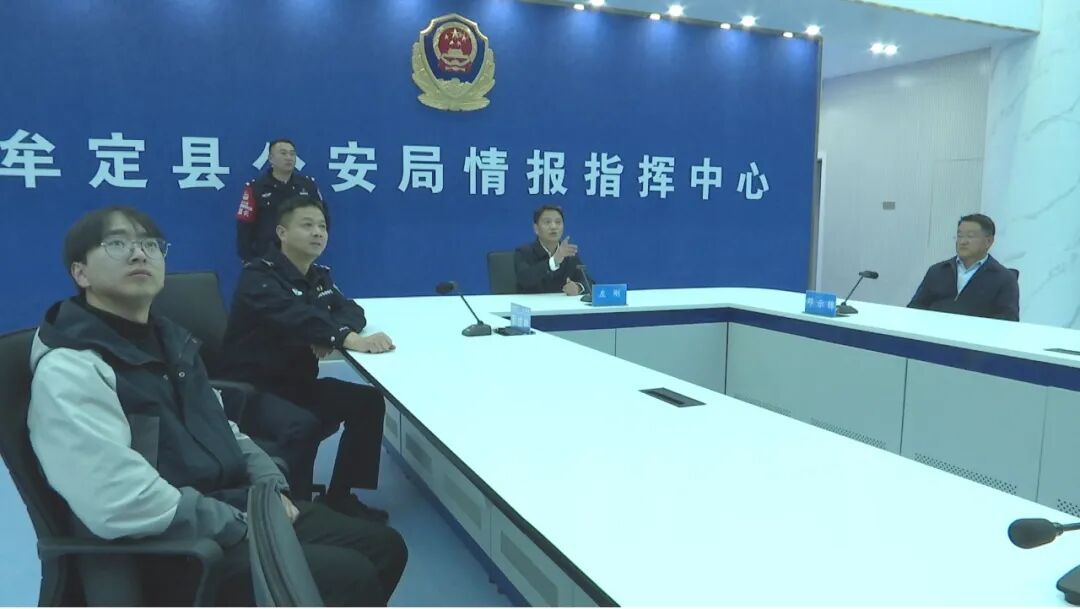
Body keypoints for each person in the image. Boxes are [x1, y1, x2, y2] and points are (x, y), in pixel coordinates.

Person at [28, 205, 407, 606]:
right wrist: (238, 521)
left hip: (227, 503)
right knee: (350, 575)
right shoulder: (73, 367)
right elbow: (119, 501)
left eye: (150, 245)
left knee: (384, 547)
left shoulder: (169, 341)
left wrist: (267, 487)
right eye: (117, 244)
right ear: (81, 273)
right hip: (170, 546)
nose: (139, 254)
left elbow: (223, 425)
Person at [221, 196, 395, 522]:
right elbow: (294, 316)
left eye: (322, 227)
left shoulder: (318, 277)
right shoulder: (258, 276)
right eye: (307, 225)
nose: (317, 233)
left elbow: (351, 310)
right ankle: (300, 509)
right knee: (303, 425)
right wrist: (342, 337)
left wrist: (331, 332)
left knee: (367, 401)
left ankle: (341, 496)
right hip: (251, 391)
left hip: (296, 384)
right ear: (282, 232)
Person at [908, 213, 1020, 321]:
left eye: (970, 236)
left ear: (989, 241)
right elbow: (915, 307)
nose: (962, 241)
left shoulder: (1004, 278)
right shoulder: (938, 271)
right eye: (959, 236)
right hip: (933, 330)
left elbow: (1008, 319)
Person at [236, 138, 325, 261]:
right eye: (283, 153)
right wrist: (248, 259)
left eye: (292, 154)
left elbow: (322, 218)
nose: (289, 158)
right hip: (266, 257)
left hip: (301, 257)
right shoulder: (256, 187)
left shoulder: (308, 186)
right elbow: (244, 226)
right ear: (271, 158)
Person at [514, 204, 594, 294]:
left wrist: (578, 287)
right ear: (536, 229)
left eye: (558, 222)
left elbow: (590, 283)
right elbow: (525, 279)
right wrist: (553, 262)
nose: (553, 227)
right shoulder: (524, 252)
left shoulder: (568, 254)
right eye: (547, 222)